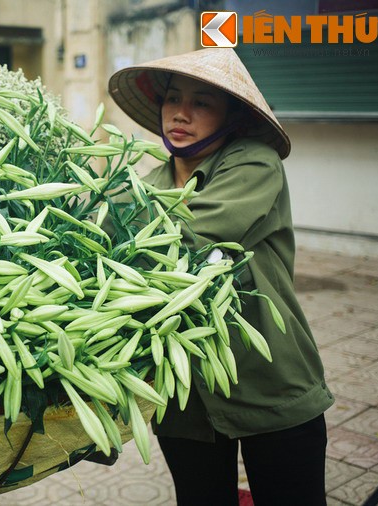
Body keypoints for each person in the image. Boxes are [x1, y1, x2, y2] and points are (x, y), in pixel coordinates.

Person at [107, 48, 334, 505]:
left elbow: (187, 240)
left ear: (231, 116)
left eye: (203, 102)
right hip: (186, 396)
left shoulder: (253, 163)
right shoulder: (146, 182)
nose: (181, 113)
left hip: (268, 377)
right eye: (173, 98)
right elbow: (106, 257)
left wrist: (117, 238)